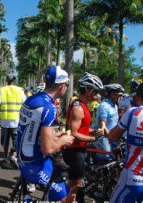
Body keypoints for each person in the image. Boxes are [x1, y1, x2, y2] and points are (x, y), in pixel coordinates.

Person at [17, 65, 74, 202]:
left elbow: (33, 132)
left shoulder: (31, 99)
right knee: (67, 197)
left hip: (22, 160)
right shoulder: (49, 108)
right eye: (67, 84)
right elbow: (47, 149)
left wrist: (55, 136)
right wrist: (64, 140)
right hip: (35, 165)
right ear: (61, 86)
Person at [63, 72, 104, 202]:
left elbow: (83, 128)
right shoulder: (78, 108)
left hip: (79, 150)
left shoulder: (83, 106)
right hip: (74, 151)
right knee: (72, 190)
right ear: (87, 90)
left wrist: (94, 131)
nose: (96, 94)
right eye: (95, 91)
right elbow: (74, 132)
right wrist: (93, 139)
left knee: (78, 187)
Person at [0, 74, 26, 169]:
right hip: (16, 120)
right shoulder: (20, 90)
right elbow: (25, 102)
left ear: (7, 80)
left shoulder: (2, 89)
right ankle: (13, 157)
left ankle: (5, 158)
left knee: (5, 141)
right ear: (14, 80)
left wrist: (1, 111)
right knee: (16, 141)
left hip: (5, 120)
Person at [92, 83, 125, 161]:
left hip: (111, 137)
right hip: (103, 137)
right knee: (107, 160)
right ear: (112, 94)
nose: (121, 97)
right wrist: (111, 137)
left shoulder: (115, 106)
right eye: (119, 95)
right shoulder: (104, 105)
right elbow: (102, 125)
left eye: (122, 96)